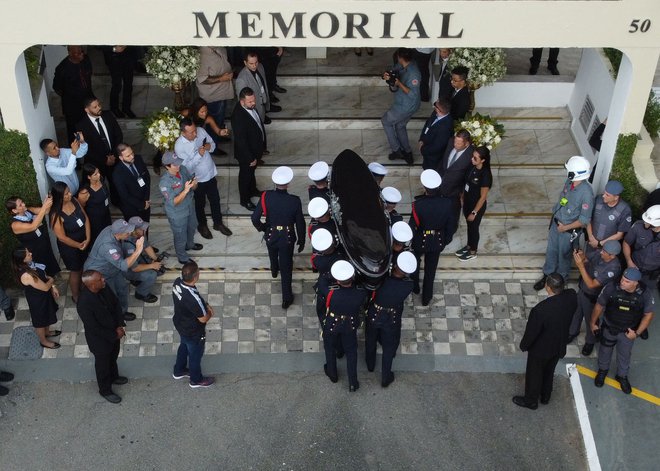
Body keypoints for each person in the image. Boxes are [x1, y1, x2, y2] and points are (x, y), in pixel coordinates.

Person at [512, 273, 577, 409]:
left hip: (541, 349)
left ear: (547, 287)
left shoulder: (540, 310)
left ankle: (531, 400)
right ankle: (545, 396)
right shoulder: (571, 296)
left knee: (534, 374)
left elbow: (532, 332)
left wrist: (524, 345)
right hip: (559, 344)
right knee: (549, 371)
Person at [534, 156, 593, 291]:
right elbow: (564, 199)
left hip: (567, 231)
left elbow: (584, 220)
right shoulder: (569, 182)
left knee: (564, 256)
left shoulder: (586, 194)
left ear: (574, 173)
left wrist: (565, 227)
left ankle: (560, 282)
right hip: (557, 224)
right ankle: (547, 275)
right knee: (551, 251)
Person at [591, 268, 655, 394]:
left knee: (624, 355)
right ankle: (603, 371)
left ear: (635, 283)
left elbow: (648, 314)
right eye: (622, 279)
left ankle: (622, 376)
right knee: (605, 351)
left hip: (628, 331)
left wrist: (636, 333)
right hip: (609, 327)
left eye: (626, 281)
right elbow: (599, 305)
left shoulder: (645, 293)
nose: (622, 282)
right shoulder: (611, 287)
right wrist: (593, 323)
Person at [251, 166, 305, 309]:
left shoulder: (266, 196)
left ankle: (274, 270)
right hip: (287, 237)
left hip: (271, 234)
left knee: (272, 253)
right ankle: (286, 298)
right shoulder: (294, 201)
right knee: (286, 268)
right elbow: (300, 223)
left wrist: (263, 228)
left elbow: (255, 218)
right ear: (288, 184)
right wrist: (302, 239)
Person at [365, 251, 416, 388]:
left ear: (394, 266)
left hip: (375, 313)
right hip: (391, 317)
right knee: (388, 347)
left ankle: (370, 364)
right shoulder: (408, 285)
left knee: (370, 339)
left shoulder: (381, 281)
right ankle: (385, 377)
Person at [77, 270, 128, 404]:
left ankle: (114, 377)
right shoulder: (84, 303)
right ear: (92, 284)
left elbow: (116, 304)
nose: (104, 280)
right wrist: (114, 334)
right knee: (102, 366)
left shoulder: (104, 287)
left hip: (114, 332)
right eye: (100, 279)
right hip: (100, 340)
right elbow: (93, 327)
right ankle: (105, 390)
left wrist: (119, 324)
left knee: (113, 357)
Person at [175, 118, 231, 238]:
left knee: (215, 200)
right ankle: (202, 225)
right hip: (197, 179)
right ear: (183, 133)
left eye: (195, 130)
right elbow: (186, 168)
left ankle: (218, 223)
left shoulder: (200, 131)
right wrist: (199, 155)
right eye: (191, 132)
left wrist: (208, 147)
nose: (195, 134)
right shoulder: (179, 146)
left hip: (210, 173)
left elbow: (213, 145)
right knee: (200, 203)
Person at [318, 260, 368, 392]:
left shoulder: (330, 292)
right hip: (350, 324)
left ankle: (332, 374)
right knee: (351, 352)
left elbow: (322, 280)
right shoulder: (360, 292)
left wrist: (330, 275)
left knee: (329, 347)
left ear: (337, 280)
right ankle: (352, 382)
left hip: (332, 323)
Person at [84, 219, 145, 322]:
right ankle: (114, 317)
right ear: (118, 234)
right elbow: (123, 265)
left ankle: (122, 312)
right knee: (111, 296)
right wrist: (138, 250)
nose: (129, 233)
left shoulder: (110, 229)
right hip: (101, 273)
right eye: (127, 232)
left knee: (122, 288)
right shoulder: (108, 246)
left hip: (113, 269)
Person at [410, 170, 456, 306]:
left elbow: (412, 226)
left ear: (424, 187)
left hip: (420, 239)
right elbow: (451, 225)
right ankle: (426, 297)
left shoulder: (418, 205)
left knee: (415, 262)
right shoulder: (447, 203)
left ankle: (415, 287)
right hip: (438, 240)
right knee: (431, 270)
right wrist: (445, 240)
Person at [569, 240, 622, 356]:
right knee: (576, 312)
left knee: (591, 320)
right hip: (582, 290)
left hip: (593, 298)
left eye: (605, 252)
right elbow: (588, 260)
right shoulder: (600, 254)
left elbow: (592, 284)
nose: (601, 252)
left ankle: (590, 341)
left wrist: (580, 266)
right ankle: (573, 331)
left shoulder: (613, 269)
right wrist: (581, 256)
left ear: (612, 255)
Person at [172, 261, 215, 388]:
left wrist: (204, 304)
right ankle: (196, 380)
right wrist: (210, 313)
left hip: (180, 324)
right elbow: (203, 319)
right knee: (195, 355)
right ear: (196, 277)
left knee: (184, 345)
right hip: (193, 331)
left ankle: (179, 370)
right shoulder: (192, 299)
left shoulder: (177, 282)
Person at [76, 97, 123, 206]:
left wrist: (114, 155)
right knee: (97, 184)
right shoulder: (81, 125)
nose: (99, 108)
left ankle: (117, 202)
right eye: (95, 107)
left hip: (114, 157)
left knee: (115, 182)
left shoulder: (108, 115)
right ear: (87, 110)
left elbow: (118, 135)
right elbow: (87, 149)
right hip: (96, 162)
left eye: (99, 105)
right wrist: (104, 160)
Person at [158, 151, 203, 264]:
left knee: (192, 226)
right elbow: (174, 202)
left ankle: (190, 244)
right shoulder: (165, 182)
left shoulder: (182, 169)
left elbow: (193, 186)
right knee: (180, 236)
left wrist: (194, 184)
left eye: (178, 162)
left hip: (189, 206)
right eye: (175, 164)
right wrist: (186, 190)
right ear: (167, 166)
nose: (178, 165)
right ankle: (182, 257)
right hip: (177, 213)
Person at [12, 248, 61, 349]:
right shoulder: (26, 275)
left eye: (28, 251)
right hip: (38, 300)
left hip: (44, 296)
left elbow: (43, 275)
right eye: (27, 254)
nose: (31, 253)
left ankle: (47, 332)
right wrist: (52, 281)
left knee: (46, 315)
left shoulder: (30, 264)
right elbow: (45, 286)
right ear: (23, 260)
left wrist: (53, 286)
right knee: (40, 321)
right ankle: (43, 341)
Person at [50, 182, 90, 303]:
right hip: (70, 247)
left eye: (69, 191)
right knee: (75, 270)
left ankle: (83, 287)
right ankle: (76, 296)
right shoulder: (56, 214)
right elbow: (62, 238)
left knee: (84, 265)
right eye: (66, 193)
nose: (70, 194)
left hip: (83, 241)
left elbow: (86, 218)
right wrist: (79, 245)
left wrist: (87, 238)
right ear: (59, 197)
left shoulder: (74, 201)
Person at [381, 48, 421, 165]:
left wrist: (399, 84)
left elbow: (413, 94)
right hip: (403, 103)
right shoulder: (406, 63)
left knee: (386, 121)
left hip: (406, 106)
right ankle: (407, 152)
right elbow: (396, 68)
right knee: (400, 126)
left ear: (400, 57)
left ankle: (396, 149)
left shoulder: (414, 74)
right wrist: (387, 74)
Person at [6, 195, 60, 277]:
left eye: (22, 202)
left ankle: (53, 280)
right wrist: (44, 207)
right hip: (34, 252)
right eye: (20, 205)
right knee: (42, 272)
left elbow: (46, 211)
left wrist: (47, 202)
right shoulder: (15, 224)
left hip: (45, 246)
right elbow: (33, 226)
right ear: (14, 210)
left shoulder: (29, 210)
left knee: (51, 267)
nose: (24, 204)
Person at [455, 146, 493, 261]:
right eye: (473, 156)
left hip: (476, 206)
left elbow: (483, 197)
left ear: (483, 160)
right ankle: (468, 246)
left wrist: (474, 212)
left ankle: (473, 251)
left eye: (475, 158)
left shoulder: (485, 175)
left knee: (474, 228)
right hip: (467, 202)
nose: (472, 159)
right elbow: (466, 182)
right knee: (469, 226)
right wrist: (462, 197)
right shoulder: (472, 167)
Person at [232, 87, 265, 210]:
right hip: (246, 155)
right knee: (245, 176)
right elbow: (241, 141)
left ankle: (253, 190)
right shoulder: (238, 117)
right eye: (250, 102)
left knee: (251, 173)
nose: (253, 103)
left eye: (253, 100)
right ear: (242, 102)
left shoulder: (249, 107)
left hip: (254, 150)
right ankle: (244, 200)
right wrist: (250, 158)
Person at [53, 46, 93, 140]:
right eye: (77, 53)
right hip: (72, 105)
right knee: (73, 128)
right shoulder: (62, 69)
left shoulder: (86, 59)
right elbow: (57, 87)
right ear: (69, 53)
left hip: (88, 97)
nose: (81, 54)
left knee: (89, 123)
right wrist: (70, 96)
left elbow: (89, 74)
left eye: (81, 52)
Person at [438, 129, 474, 235]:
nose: (455, 144)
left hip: (454, 191)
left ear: (467, 143)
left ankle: (449, 232)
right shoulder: (451, 142)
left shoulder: (471, 155)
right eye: (455, 141)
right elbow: (444, 162)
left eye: (458, 143)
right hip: (440, 185)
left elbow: (468, 178)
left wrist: (462, 195)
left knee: (452, 215)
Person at [585, 180, 632, 258]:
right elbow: (588, 218)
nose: (603, 196)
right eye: (604, 193)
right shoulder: (598, 200)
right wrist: (591, 237)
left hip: (607, 250)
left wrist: (600, 243)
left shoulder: (624, 209)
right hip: (591, 242)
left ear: (616, 197)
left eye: (607, 195)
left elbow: (619, 235)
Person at [121, 216, 161, 303]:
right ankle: (141, 293)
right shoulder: (128, 245)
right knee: (152, 274)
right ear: (134, 230)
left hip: (138, 260)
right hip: (128, 269)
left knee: (157, 268)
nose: (145, 230)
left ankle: (137, 280)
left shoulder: (140, 235)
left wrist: (156, 259)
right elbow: (134, 268)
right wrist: (152, 266)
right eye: (142, 228)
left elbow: (147, 247)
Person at [197, 46, 234, 137]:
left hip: (224, 92)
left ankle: (219, 137)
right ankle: (214, 147)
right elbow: (202, 79)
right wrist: (221, 78)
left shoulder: (220, 48)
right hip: (213, 96)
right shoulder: (201, 55)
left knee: (220, 120)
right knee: (214, 123)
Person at [310, 228, 345, 325]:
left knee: (322, 310)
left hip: (325, 286)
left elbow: (315, 267)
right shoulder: (341, 255)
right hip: (341, 285)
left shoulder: (318, 260)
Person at [622, 205, 660, 288]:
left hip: (650, 275)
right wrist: (629, 261)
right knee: (625, 288)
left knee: (645, 293)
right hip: (633, 266)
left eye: (649, 223)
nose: (645, 224)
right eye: (645, 221)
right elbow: (626, 242)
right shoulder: (638, 227)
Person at [113, 143, 152, 222]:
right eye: (128, 156)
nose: (132, 156)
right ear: (121, 157)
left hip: (145, 202)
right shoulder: (117, 173)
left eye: (132, 153)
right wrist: (142, 205)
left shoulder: (138, 159)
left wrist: (146, 200)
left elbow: (147, 178)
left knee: (145, 228)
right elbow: (125, 195)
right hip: (132, 209)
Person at [77, 163, 112, 246]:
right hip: (95, 219)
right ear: (89, 177)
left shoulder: (101, 180)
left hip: (105, 214)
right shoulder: (85, 191)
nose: (99, 175)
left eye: (98, 172)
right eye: (95, 174)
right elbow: (81, 208)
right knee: (98, 237)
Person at [235, 51, 272, 124]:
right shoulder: (241, 80)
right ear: (245, 63)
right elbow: (243, 102)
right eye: (251, 63)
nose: (254, 66)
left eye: (256, 62)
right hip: (255, 107)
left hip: (262, 102)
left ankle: (263, 115)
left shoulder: (260, 67)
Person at [417, 97, 453, 170]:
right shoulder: (435, 113)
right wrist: (421, 139)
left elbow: (437, 147)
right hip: (426, 150)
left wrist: (422, 149)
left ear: (439, 110)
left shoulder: (446, 127)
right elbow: (427, 125)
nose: (434, 107)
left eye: (435, 105)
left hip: (433, 159)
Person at [101, 46, 137, 118]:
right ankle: (114, 108)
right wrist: (114, 49)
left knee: (128, 84)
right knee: (117, 85)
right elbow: (100, 45)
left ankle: (126, 108)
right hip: (114, 57)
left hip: (128, 57)